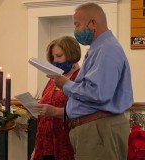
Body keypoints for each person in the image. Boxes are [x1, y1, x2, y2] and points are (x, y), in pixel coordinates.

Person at [35, 2, 133, 160]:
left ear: (93, 23)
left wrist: (65, 84)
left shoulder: (107, 49)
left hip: (99, 129)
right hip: (93, 129)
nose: (76, 31)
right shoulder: (98, 48)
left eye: (77, 25)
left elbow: (98, 93)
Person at [31, 36, 81, 160]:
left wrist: (54, 111)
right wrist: (35, 149)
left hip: (67, 146)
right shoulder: (53, 79)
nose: (55, 61)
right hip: (45, 147)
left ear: (72, 55)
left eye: (59, 56)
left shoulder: (80, 79)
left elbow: (82, 112)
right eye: (53, 58)